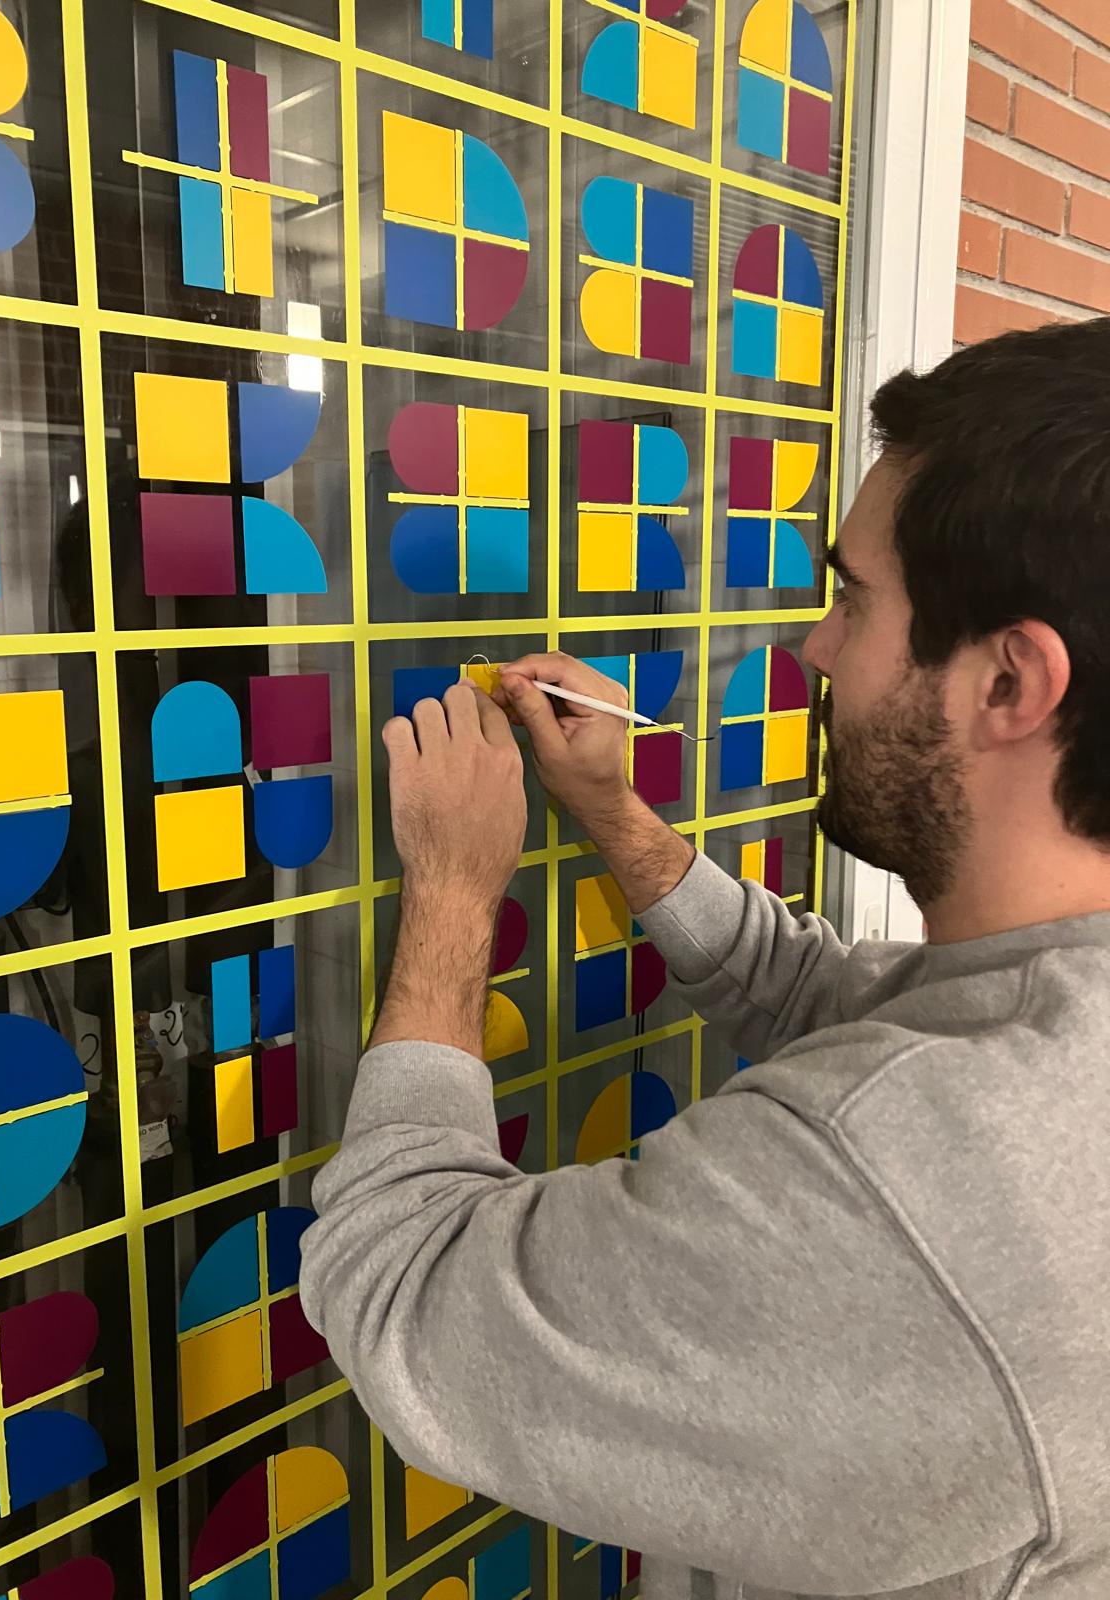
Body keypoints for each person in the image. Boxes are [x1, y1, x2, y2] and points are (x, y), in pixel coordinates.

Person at [298, 320, 1110, 1600]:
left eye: (855, 599)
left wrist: (454, 888)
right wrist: (613, 813)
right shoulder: (1049, 1023)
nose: (815, 649)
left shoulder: (922, 1187)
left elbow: (406, 1287)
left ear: (1009, 682)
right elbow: (828, 1003)